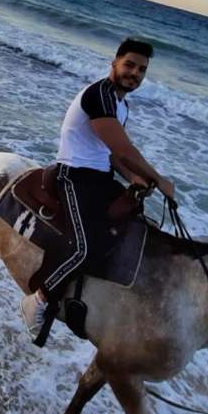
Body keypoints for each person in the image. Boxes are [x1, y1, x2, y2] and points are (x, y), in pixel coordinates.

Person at [21, 38, 177, 339]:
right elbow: (124, 148)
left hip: (100, 176)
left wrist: (133, 178)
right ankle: (38, 298)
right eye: (129, 64)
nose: (135, 73)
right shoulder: (100, 95)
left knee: (133, 226)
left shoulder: (121, 104)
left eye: (142, 70)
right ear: (114, 63)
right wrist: (160, 179)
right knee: (85, 246)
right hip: (73, 175)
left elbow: (115, 155)